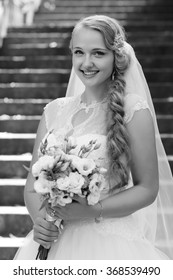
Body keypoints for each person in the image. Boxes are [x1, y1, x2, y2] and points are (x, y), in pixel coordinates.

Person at [14, 15, 173, 260]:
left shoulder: (133, 110)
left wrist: (92, 211)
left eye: (98, 53)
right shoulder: (54, 111)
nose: (86, 62)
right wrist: (40, 221)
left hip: (109, 242)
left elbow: (147, 188)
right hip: (56, 239)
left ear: (116, 57)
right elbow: (32, 188)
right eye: (79, 52)